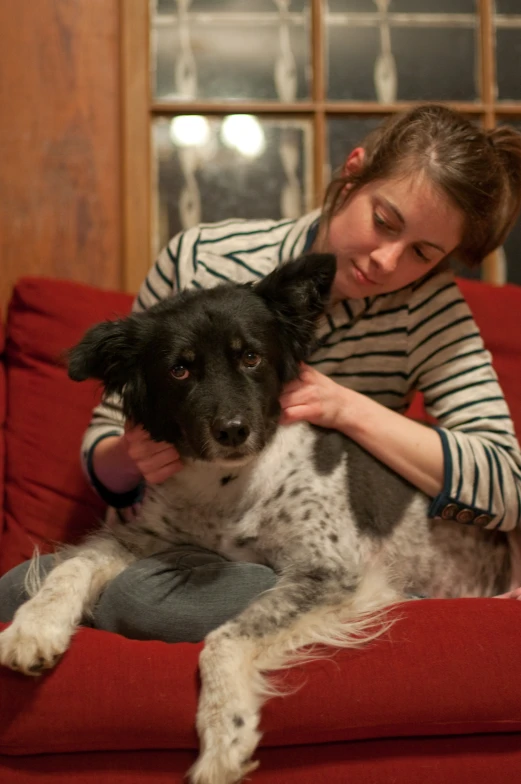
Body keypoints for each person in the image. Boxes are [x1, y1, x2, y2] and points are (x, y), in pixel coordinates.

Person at [2, 103, 521, 638]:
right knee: (11, 592)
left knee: (143, 598)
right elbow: (104, 451)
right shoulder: (203, 259)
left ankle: (364, 601)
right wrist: (132, 455)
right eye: (383, 221)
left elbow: (506, 486)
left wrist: (348, 409)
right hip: (176, 528)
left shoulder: (429, 309)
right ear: (354, 172)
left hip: (303, 549)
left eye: (422, 252)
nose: (388, 261)